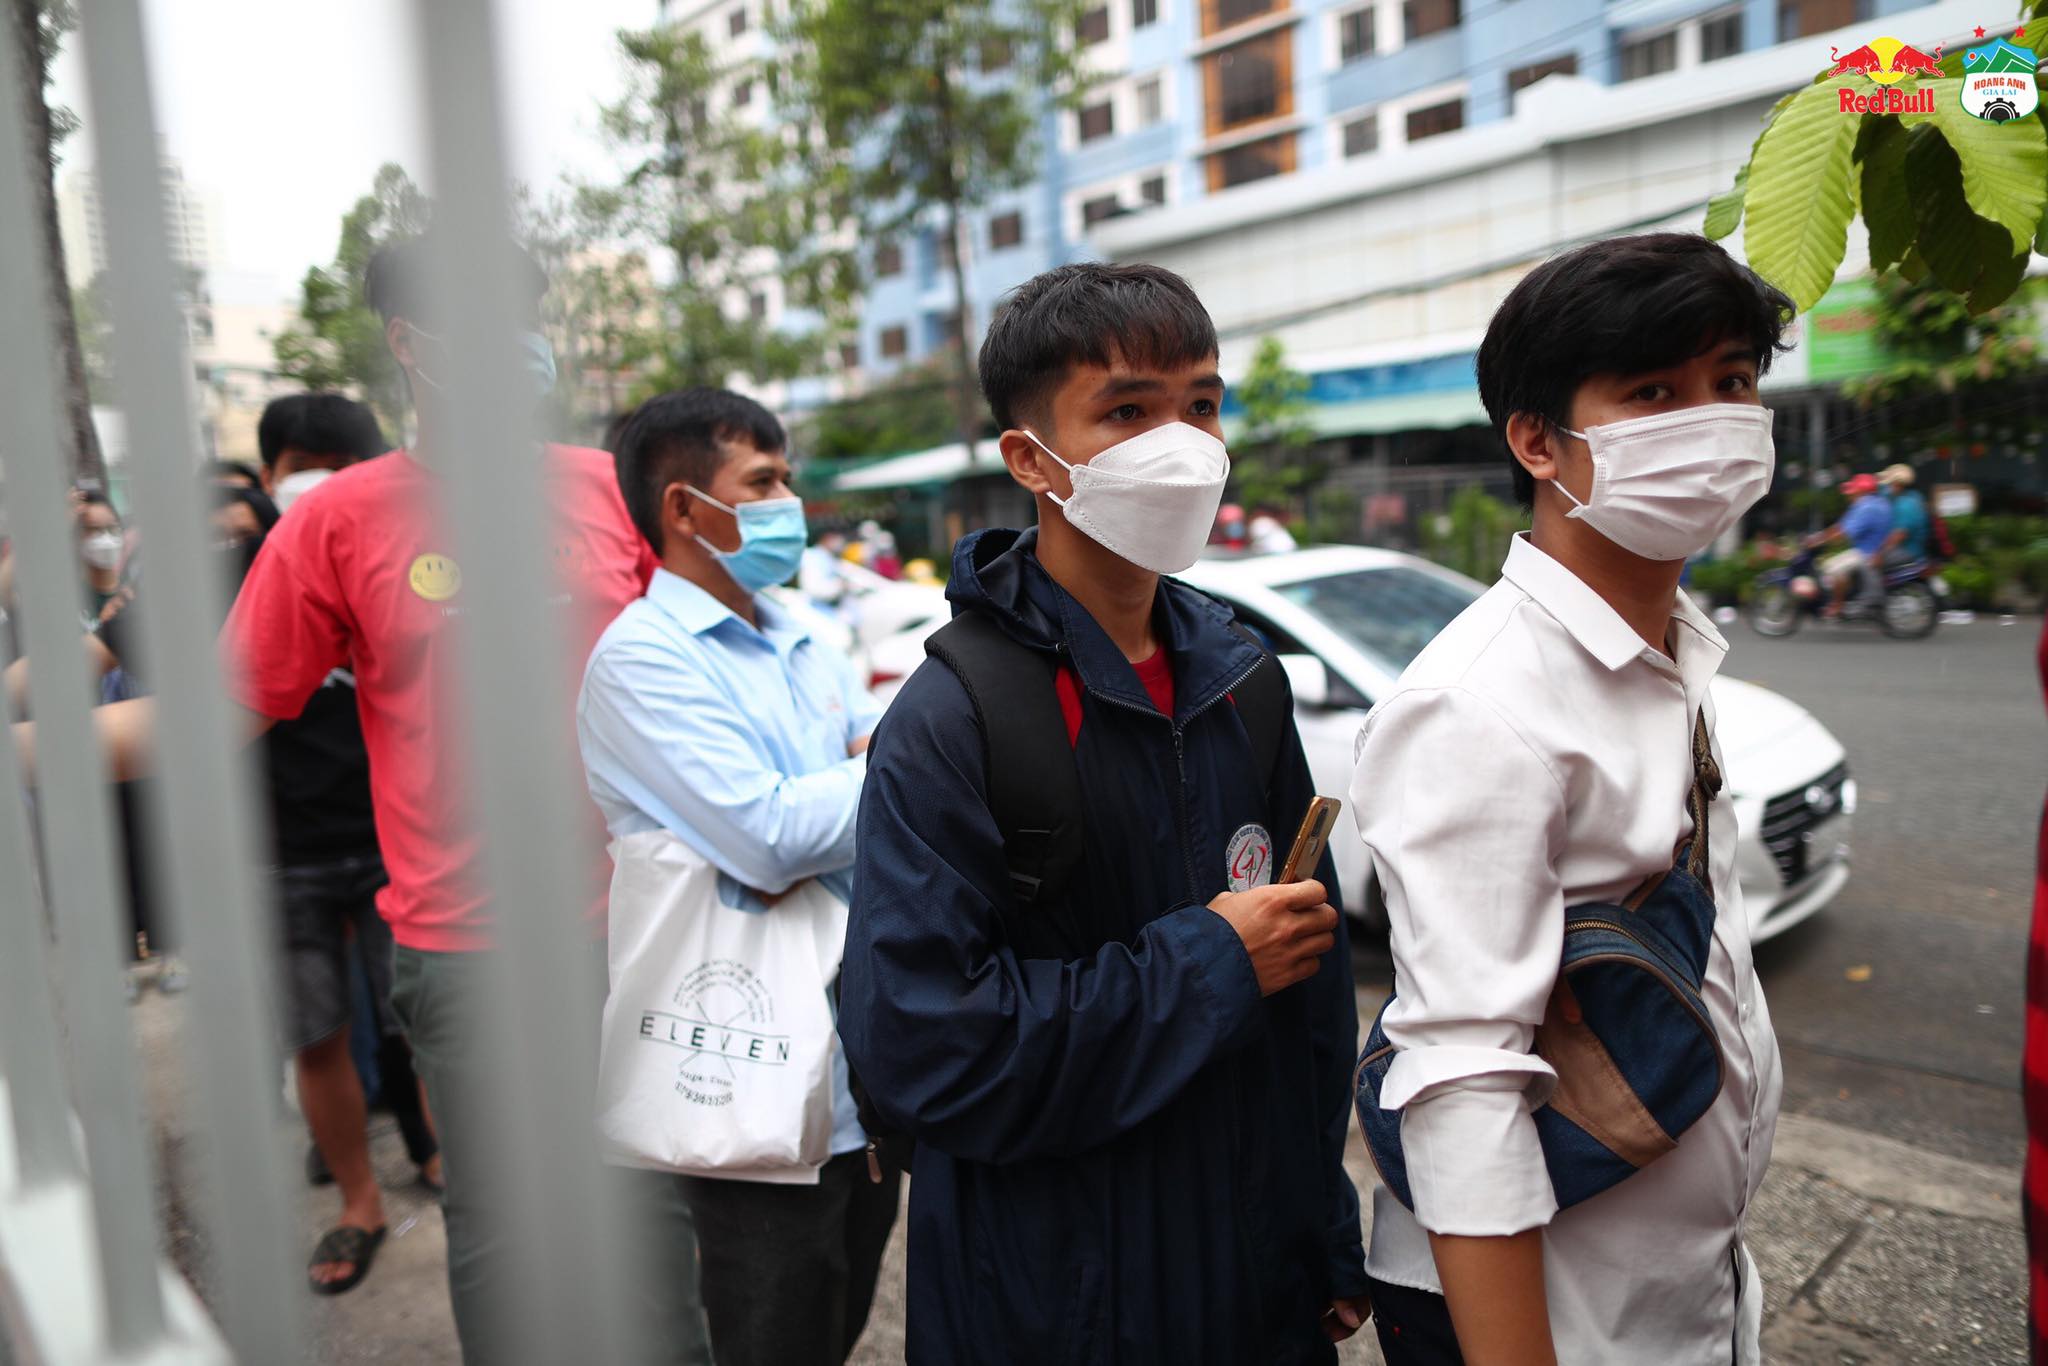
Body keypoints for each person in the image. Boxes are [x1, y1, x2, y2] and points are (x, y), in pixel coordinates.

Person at [19, 233, 707, 1364]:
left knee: (656, 1216)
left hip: (637, 917)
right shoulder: (339, 520)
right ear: (410, 343)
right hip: (462, 938)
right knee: (500, 1225)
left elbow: (717, 665)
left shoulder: (607, 489)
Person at [842, 262, 1369, 1364]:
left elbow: (1307, 1003)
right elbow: (921, 1053)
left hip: (1253, 1287)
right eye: (1127, 410)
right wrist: (1207, 961)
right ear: (1032, 458)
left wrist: (1320, 1229)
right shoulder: (950, 722)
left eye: (1201, 405)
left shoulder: (1242, 680)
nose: (1180, 443)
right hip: (1050, 1303)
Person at [1349, 232, 1785, 1363]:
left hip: (1671, 1290)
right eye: (1653, 391)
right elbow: (1459, 1077)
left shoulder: (1663, 648)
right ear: (1538, 441)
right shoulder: (1476, 702)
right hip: (1543, 1312)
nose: (1711, 419)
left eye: (1731, 382)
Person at [578, 388, 899, 1366]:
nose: (786, 502)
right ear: (682, 508)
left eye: (785, 479)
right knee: (773, 1328)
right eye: (759, 482)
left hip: (867, 1038)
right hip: (746, 1054)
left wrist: (835, 799)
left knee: (840, 1306)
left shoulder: (802, 633)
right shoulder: (639, 661)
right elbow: (769, 838)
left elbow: (828, 816)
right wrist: (880, 771)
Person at [242, 393, 441, 1295]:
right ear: (273, 471)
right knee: (316, 1034)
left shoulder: (398, 542)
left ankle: (441, 1158)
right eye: (306, 464)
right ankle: (358, 1201)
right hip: (279, 847)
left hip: (399, 837)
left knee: (422, 1023)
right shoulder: (241, 555)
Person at [1821, 472, 1892, 618]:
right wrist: (1825, 535)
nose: (1849, 494)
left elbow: (1844, 533)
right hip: (1875, 550)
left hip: (1865, 552)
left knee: (1831, 567)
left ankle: (1837, 605)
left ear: (1863, 490)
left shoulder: (1865, 507)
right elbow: (1841, 526)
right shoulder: (1880, 502)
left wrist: (1822, 540)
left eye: (1853, 491)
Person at [1879, 463, 1931, 562]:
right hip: (1911, 551)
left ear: (1897, 485)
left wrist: (1878, 552)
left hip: (1909, 554)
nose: (1885, 488)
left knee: (1866, 564)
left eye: (1888, 484)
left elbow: (1898, 537)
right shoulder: (1915, 496)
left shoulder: (1905, 505)